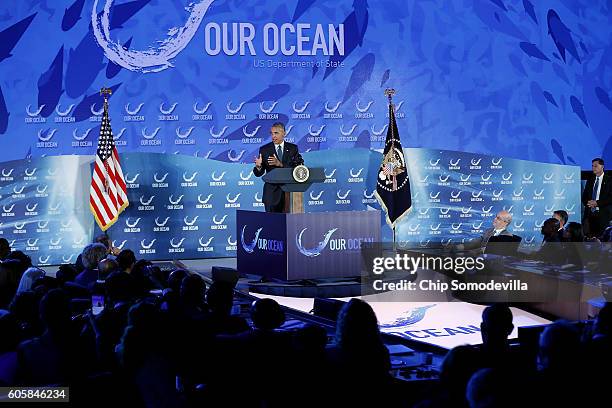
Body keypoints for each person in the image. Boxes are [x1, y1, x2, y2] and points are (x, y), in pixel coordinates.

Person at [253, 122, 303, 212]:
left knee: (289, 223)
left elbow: (299, 167)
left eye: (276, 133)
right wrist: (258, 166)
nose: (273, 136)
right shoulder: (265, 149)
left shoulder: (293, 148)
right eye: (271, 133)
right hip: (271, 193)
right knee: (272, 223)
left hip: (289, 192)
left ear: (284, 133)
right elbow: (258, 173)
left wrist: (281, 164)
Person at [582, 158, 611, 238]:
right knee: (591, 239)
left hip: (604, 215)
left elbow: (610, 198)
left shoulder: (609, 180)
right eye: (592, 166)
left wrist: (597, 203)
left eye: (595, 166)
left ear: (602, 166)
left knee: (603, 240)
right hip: (590, 215)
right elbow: (584, 197)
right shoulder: (590, 180)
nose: (593, 168)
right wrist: (589, 203)